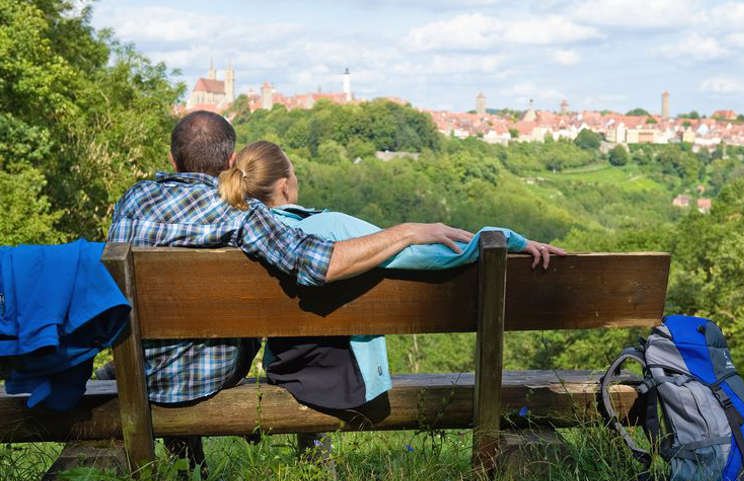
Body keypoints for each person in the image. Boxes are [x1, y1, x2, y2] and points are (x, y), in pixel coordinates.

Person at [105, 110, 475, 472]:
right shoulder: (239, 212)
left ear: (172, 160)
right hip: (207, 376)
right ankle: (289, 462)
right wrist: (407, 232)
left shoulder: (130, 202)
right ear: (231, 160)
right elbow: (320, 264)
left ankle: (183, 464)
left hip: (140, 370)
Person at [216, 140, 565, 426]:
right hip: (342, 381)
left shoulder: (234, 233)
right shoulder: (333, 229)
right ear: (284, 186)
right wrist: (508, 239)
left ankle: (315, 459)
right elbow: (437, 259)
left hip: (284, 369)